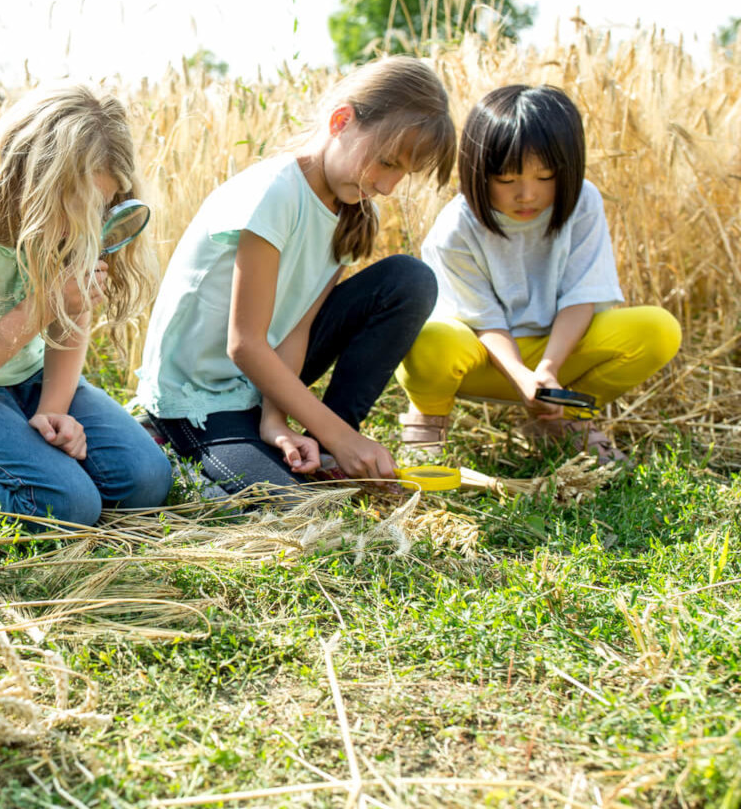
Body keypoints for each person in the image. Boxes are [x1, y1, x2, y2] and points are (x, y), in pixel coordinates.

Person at [136, 56, 456, 494]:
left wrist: (276, 420)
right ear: (341, 120)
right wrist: (344, 439)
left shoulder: (353, 209)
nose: (388, 186)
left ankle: (322, 443)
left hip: (258, 385)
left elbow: (295, 326)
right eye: (385, 162)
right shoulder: (276, 191)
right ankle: (167, 440)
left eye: (404, 172)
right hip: (197, 395)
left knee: (410, 280)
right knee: (283, 503)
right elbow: (244, 343)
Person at [0, 83, 173, 524]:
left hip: (27, 376)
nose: (87, 223)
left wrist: (53, 409)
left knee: (145, 480)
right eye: (78, 205)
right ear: (30, 178)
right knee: (69, 506)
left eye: (102, 206)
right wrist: (44, 303)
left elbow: (72, 316)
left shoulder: (71, 223)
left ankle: (7, 460)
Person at [396, 84, 680, 464]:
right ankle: (429, 417)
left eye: (545, 177)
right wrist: (519, 374)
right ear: (477, 171)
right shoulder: (455, 228)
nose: (527, 194)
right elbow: (485, 320)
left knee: (658, 330)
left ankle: (566, 419)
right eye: (508, 180)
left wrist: (547, 371)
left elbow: (582, 295)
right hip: (481, 358)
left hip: (558, 352)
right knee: (426, 340)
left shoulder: (584, 202)